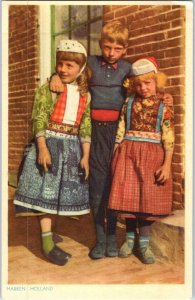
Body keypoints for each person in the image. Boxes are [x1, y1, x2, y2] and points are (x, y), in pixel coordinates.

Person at [50, 21, 173, 260]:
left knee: (117, 186)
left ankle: (114, 240)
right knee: (97, 187)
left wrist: (163, 94)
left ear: (125, 50)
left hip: (118, 136)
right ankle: (101, 240)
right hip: (94, 133)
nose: (111, 53)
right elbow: (70, 69)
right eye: (107, 47)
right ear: (100, 45)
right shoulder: (92, 64)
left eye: (117, 49)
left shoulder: (127, 68)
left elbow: (145, 83)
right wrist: (55, 74)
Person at [14, 40, 92, 266]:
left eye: (69, 66)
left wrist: (85, 155)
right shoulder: (48, 89)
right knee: (45, 194)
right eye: (60, 64)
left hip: (72, 148)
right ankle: (47, 243)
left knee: (57, 194)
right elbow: (38, 118)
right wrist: (42, 147)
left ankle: (49, 233)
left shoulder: (86, 95)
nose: (63, 70)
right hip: (49, 144)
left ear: (80, 68)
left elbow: (86, 126)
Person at [108, 57, 174, 264]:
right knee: (128, 197)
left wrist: (167, 164)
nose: (143, 88)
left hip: (153, 156)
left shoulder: (164, 105)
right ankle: (129, 239)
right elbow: (121, 128)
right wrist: (116, 152)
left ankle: (143, 243)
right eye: (138, 84)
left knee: (146, 199)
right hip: (128, 153)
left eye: (148, 83)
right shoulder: (128, 103)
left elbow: (169, 136)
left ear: (157, 82)